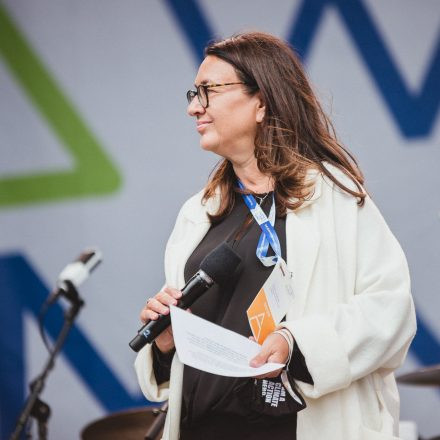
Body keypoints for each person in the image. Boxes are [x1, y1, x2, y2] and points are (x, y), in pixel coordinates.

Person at [134, 32, 416, 440]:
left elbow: (390, 310)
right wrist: (164, 342)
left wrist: (295, 341)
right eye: (193, 94)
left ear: (262, 102)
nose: (194, 107)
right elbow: (185, 354)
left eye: (208, 91)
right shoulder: (199, 212)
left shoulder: (332, 194)